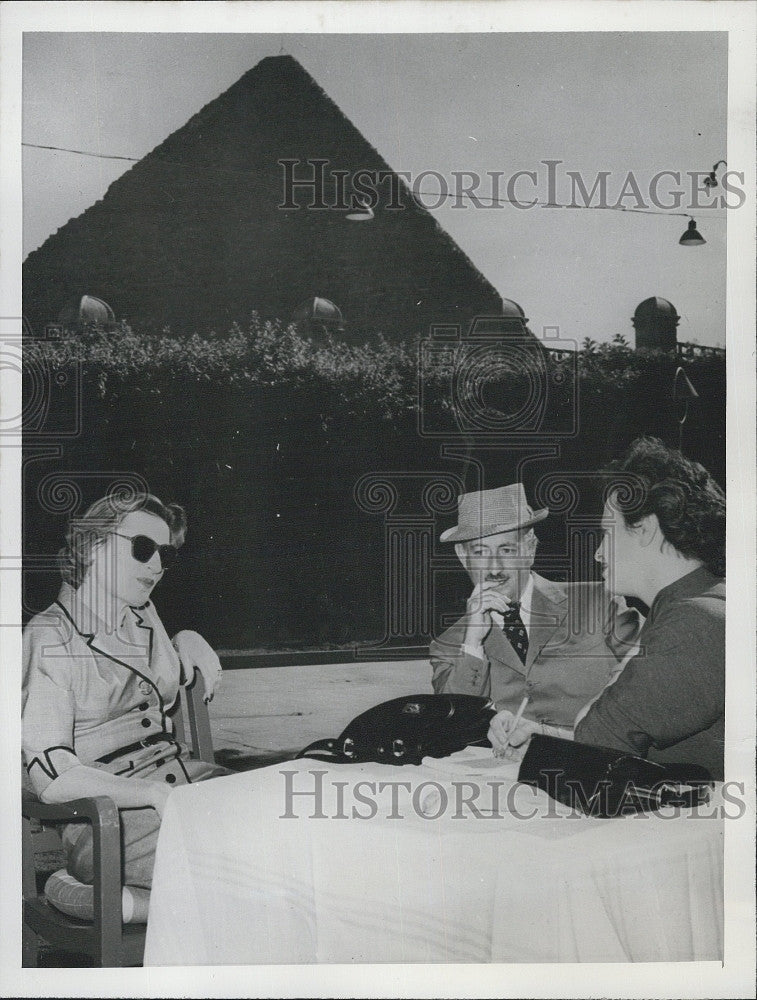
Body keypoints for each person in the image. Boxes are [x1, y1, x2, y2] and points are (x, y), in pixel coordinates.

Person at [22, 490, 229, 892]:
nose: (156, 566)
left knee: (288, 811)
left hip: (183, 789)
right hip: (107, 822)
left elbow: (158, 674)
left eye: (164, 555)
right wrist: (150, 792)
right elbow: (54, 779)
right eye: (142, 548)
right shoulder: (50, 638)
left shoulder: (141, 616)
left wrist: (187, 637)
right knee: (259, 854)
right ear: (93, 545)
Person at [489, 439, 726, 781]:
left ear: (644, 528)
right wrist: (542, 739)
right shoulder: (701, 602)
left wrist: (556, 746)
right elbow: (614, 743)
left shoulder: (693, 622)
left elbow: (595, 753)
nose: (599, 553)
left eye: (607, 533)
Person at [431, 482, 643, 736]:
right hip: (507, 770)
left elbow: (649, 689)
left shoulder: (601, 601)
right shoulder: (449, 645)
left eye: (507, 550)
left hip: (597, 756)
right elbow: (451, 727)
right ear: (462, 557)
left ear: (530, 549)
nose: (494, 568)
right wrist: (473, 643)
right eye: (480, 552)